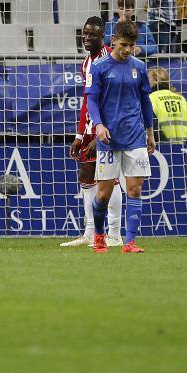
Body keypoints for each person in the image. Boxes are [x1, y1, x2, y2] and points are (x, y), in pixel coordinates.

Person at [86, 19, 156, 253]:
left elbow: (145, 101)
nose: (127, 50)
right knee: (104, 194)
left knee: (135, 189)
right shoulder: (100, 67)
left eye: (131, 45)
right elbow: (92, 100)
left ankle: (129, 242)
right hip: (108, 140)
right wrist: (98, 125)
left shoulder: (139, 66)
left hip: (135, 136)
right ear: (113, 40)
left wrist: (150, 131)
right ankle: (98, 236)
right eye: (124, 44)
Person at [61, 16, 123, 248]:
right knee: (86, 177)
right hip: (90, 127)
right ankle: (89, 233)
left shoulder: (110, 61)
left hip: (107, 127)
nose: (87, 38)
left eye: (92, 34)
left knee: (109, 180)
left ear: (103, 36)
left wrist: (102, 132)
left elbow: (114, 100)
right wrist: (79, 135)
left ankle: (115, 234)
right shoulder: (87, 62)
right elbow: (88, 101)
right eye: (84, 33)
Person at [148, 67, 187, 143]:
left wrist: (167, 146)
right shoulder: (181, 98)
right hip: (186, 149)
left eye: (148, 79)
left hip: (163, 149)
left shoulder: (151, 98)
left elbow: (153, 127)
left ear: (156, 80)